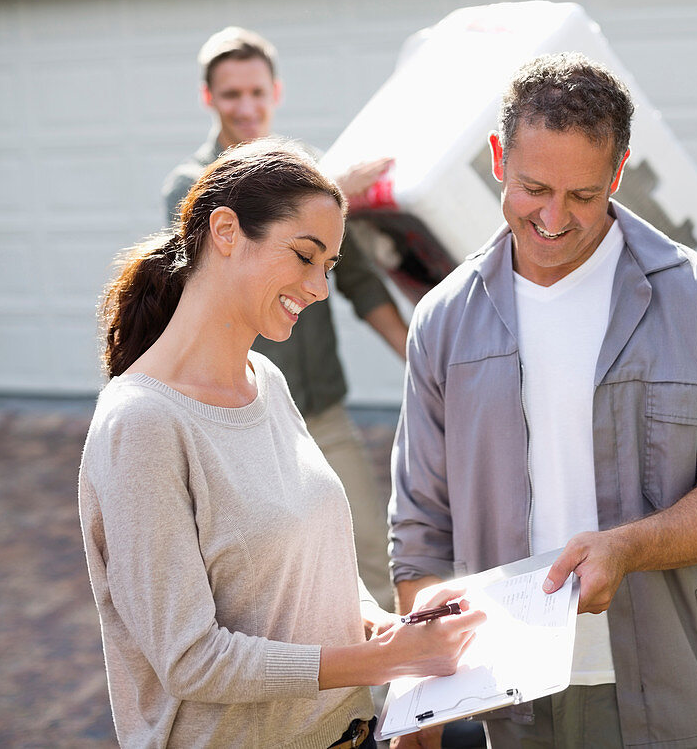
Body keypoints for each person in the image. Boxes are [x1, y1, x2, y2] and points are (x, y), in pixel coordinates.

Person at [389, 53, 697, 749]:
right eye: (533, 187)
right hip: (506, 690)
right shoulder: (444, 320)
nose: (552, 218)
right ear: (497, 159)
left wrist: (629, 547)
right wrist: (423, 681)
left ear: (618, 170)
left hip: (663, 686)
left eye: (582, 195)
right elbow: (421, 525)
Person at [79, 138, 484, 748]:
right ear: (225, 231)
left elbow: (312, 575)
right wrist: (387, 661)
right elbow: (192, 661)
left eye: (330, 266)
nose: (319, 287)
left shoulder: (265, 381)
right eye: (304, 256)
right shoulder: (141, 425)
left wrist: (387, 627)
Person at [162, 26, 403, 609]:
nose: (246, 108)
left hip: (321, 412)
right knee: (279, 581)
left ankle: (393, 696)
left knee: (373, 553)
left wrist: (421, 355)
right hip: (240, 425)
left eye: (256, 93)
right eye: (230, 96)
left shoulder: (312, 170)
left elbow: (361, 282)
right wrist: (329, 196)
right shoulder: (189, 187)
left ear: (276, 91)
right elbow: (209, 268)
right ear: (208, 99)